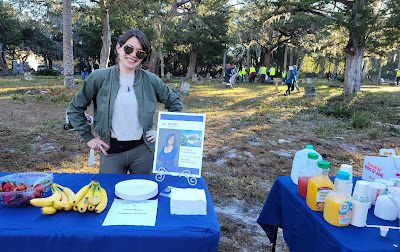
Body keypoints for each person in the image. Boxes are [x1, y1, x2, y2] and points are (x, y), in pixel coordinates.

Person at [67, 29, 183, 174]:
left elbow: (175, 104)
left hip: (143, 151)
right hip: (111, 152)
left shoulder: (151, 80)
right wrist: (89, 138)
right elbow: (75, 109)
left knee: (144, 194)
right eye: (129, 48)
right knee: (109, 193)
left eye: (140, 52)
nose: (133, 55)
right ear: (118, 48)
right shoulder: (99, 78)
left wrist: (164, 132)